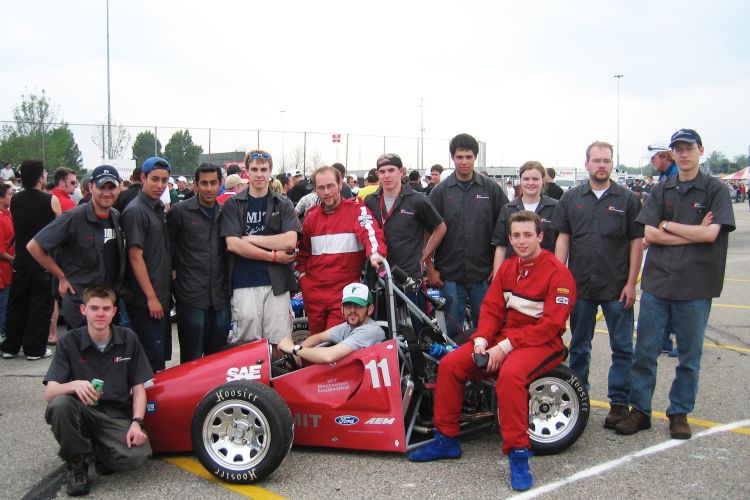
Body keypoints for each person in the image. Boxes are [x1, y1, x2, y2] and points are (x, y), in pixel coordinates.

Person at [408, 211, 576, 492]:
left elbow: (552, 325)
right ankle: (447, 440)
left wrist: (506, 345)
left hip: (541, 343)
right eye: (516, 236)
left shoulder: (559, 273)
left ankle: (519, 455)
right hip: (503, 337)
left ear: (540, 237)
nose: (522, 242)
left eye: (528, 235)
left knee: (510, 376)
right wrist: (481, 340)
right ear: (509, 238)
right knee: (450, 364)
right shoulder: (509, 268)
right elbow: (491, 309)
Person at [616, 129, 736, 439]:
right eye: (678, 149)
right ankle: (639, 411)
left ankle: (679, 413)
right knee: (644, 352)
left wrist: (667, 226)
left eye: (689, 148)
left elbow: (711, 235)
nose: (684, 154)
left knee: (689, 357)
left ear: (700, 150)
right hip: (658, 284)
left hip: (695, 287)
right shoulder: (662, 189)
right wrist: (686, 230)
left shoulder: (715, 189)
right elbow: (649, 234)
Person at [553, 140, 643, 430]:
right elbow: (563, 239)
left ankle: (619, 403)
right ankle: (578, 398)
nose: (602, 165)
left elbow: (636, 243)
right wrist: (558, 279)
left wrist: (631, 283)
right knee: (579, 346)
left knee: (622, 348)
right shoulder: (572, 198)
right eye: (597, 160)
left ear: (612, 163)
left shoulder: (627, 199)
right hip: (580, 286)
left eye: (607, 161)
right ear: (587, 164)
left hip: (617, 287)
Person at [43, 285, 153, 496]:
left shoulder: (128, 338)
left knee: (137, 456)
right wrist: (74, 385)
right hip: (82, 412)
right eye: (94, 308)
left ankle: (96, 452)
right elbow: (50, 393)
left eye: (105, 308)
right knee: (60, 404)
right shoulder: (69, 342)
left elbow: (139, 389)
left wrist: (137, 423)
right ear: (83, 310)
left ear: (114, 311)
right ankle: (77, 463)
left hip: (115, 415)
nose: (100, 314)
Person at [427, 133, 508, 338]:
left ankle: (486, 368)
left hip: (484, 273)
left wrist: (498, 267)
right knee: (454, 332)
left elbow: (506, 226)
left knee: (488, 328)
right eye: (459, 157)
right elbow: (427, 231)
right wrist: (430, 269)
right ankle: (459, 368)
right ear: (452, 158)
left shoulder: (491, 189)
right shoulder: (440, 192)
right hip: (449, 274)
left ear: (475, 158)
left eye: (469, 157)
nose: (464, 162)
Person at [27, 166, 126, 330]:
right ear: (91, 187)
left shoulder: (116, 216)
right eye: (102, 187)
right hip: (82, 304)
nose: (107, 193)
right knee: (80, 353)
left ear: (119, 188)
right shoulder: (74, 217)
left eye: (112, 187)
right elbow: (34, 246)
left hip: (108, 304)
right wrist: (61, 277)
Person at [221, 150, 300, 344]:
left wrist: (250, 239)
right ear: (246, 172)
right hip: (244, 282)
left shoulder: (282, 202)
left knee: (280, 341)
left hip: (277, 283)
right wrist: (273, 256)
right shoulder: (233, 204)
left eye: (264, 169)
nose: (259, 174)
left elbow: (290, 240)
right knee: (247, 343)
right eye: (254, 169)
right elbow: (233, 244)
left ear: (270, 171)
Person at [296, 165, 386, 334]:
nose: (326, 191)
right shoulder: (311, 216)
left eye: (330, 186)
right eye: (321, 188)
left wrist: (375, 254)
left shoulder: (356, 209)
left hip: (344, 293)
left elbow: (371, 233)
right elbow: (303, 253)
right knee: (316, 346)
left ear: (340, 185)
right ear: (315, 190)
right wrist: (303, 278)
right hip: (313, 293)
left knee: (332, 346)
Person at [365, 153, 446, 332]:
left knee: (419, 332)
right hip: (380, 278)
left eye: (391, 170)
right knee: (383, 332)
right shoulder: (369, 201)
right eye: (382, 171)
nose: (387, 175)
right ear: (377, 174)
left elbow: (440, 227)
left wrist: (424, 256)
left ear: (401, 172)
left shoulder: (417, 199)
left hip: (409, 277)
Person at [167, 164, 230, 363]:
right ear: (195, 185)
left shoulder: (226, 213)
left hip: (220, 296)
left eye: (213, 183)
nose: (209, 188)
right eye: (204, 183)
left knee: (217, 357)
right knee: (191, 357)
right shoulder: (179, 212)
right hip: (191, 296)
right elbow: (168, 250)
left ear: (220, 184)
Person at [1, 160, 61, 361]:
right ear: (40, 177)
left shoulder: (15, 200)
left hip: (20, 258)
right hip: (42, 258)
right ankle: (35, 348)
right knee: (40, 304)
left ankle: (10, 346)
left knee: (17, 302)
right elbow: (59, 229)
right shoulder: (50, 200)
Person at [121, 157, 172, 371]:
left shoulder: (157, 207)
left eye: (164, 181)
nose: (160, 185)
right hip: (145, 300)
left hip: (160, 294)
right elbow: (135, 256)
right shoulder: (136, 210)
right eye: (155, 179)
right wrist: (151, 297)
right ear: (142, 178)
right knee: (149, 361)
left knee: (158, 357)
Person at [278, 282, 384, 363]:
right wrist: (296, 355)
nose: (352, 310)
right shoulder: (347, 326)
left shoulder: (369, 330)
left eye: (358, 306)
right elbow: (319, 337)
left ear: (370, 309)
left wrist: (294, 349)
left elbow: (329, 356)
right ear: (342, 308)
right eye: (348, 305)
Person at [492, 161, 558, 276]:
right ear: (520, 180)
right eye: (526, 179)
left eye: (535, 179)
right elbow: (501, 247)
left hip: (546, 274)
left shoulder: (556, 208)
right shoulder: (508, 209)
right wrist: (497, 279)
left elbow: (561, 245)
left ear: (543, 180)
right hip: (514, 274)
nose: (530, 183)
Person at [646, 142, 680, 356]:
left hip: (677, 249)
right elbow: (655, 219)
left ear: (663, 156)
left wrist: (664, 227)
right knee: (666, 295)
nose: (651, 162)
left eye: (653, 158)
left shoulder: (676, 176)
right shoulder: (663, 178)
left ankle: (678, 340)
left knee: (678, 296)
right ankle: (665, 339)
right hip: (662, 243)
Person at [0, 184, 14, 343]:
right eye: (9, 194)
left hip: (9, 269)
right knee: (3, 305)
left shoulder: (8, 214)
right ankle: (3, 335)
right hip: (3, 270)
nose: (12, 196)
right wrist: (15, 260)